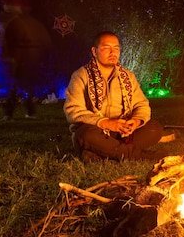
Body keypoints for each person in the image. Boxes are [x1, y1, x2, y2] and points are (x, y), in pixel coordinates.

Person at [64, 31, 164, 161]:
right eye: (106, 48)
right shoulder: (81, 76)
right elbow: (73, 111)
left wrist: (136, 121)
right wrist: (107, 123)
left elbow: (142, 104)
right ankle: (140, 156)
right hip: (97, 132)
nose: (113, 53)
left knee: (154, 129)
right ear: (95, 51)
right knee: (85, 134)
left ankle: (100, 154)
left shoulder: (128, 76)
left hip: (124, 132)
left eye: (116, 48)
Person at [0, 0, 52, 120]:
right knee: (17, 87)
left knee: (20, 87)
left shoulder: (28, 24)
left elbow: (44, 42)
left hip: (25, 60)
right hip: (21, 61)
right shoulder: (20, 23)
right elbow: (8, 42)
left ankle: (18, 113)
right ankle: (15, 113)